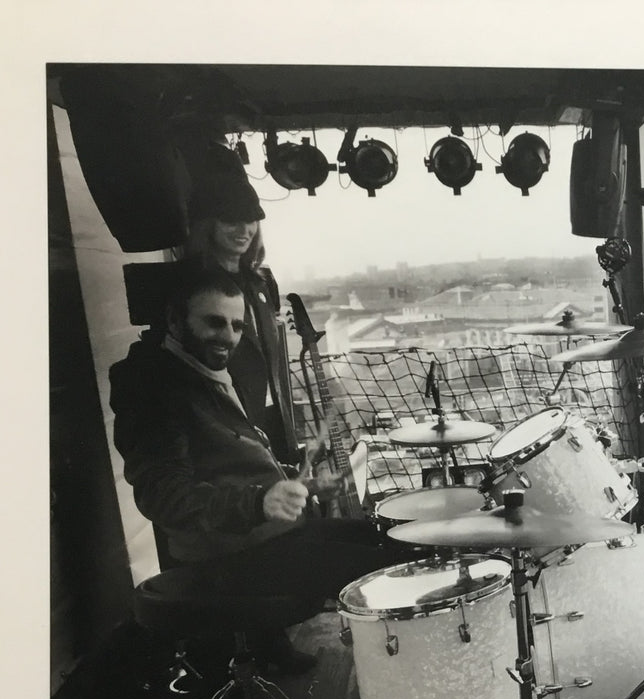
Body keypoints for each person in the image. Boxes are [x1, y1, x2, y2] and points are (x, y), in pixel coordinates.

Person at [110, 265, 420, 673]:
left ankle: (271, 649)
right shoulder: (154, 388)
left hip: (263, 538)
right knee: (389, 565)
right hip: (225, 557)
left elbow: (231, 465)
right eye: (214, 322)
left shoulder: (205, 369)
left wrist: (303, 485)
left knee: (395, 537)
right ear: (174, 320)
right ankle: (405, 679)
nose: (229, 337)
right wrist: (259, 502)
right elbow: (164, 494)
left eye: (237, 325)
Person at [179, 147, 296, 464]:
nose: (244, 230)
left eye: (251, 220)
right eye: (231, 219)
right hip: (228, 432)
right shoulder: (193, 288)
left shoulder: (259, 283)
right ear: (208, 224)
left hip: (272, 420)